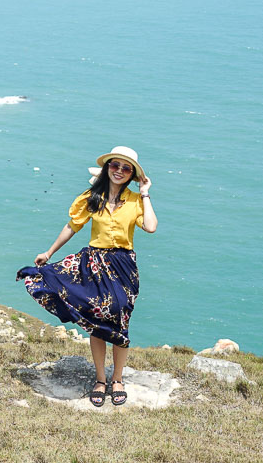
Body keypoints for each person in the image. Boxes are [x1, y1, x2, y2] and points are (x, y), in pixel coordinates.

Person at [17, 145, 158, 407]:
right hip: (94, 263)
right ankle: (101, 380)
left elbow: (150, 227)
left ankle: (118, 378)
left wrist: (145, 193)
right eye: (115, 165)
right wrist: (48, 253)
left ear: (132, 174)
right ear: (107, 168)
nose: (119, 171)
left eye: (126, 168)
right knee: (96, 319)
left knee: (119, 317)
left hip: (123, 266)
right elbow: (72, 227)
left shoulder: (136, 201)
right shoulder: (92, 197)